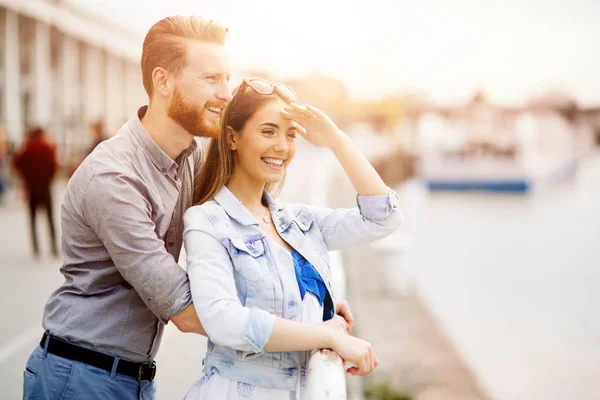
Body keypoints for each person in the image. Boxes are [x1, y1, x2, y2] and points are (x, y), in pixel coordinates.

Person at [22, 16, 232, 400]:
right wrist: (297, 325)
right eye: (211, 79)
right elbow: (183, 309)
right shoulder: (114, 177)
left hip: (131, 379)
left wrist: (308, 294)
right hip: (80, 379)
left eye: (226, 78)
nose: (225, 92)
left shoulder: (190, 157)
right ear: (162, 81)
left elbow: (244, 222)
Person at [183, 79, 403, 399]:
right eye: (268, 131)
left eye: (290, 134)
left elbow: (384, 217)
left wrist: (335, 140)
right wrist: (323, 335)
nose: (283, 147)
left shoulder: (299, 221)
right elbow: (223, 320)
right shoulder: (207, 221)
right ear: (232, 137)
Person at [12, 126, 59, 257]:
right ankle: (53, 247)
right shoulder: (47, 147)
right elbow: (54, 165)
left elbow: (16, 164)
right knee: (49, 218)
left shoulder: (27, 148)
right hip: (45, 187)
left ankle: (36, 248)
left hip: (32, 186)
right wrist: (49, 179)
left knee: (32, 218)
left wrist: (26, 176)